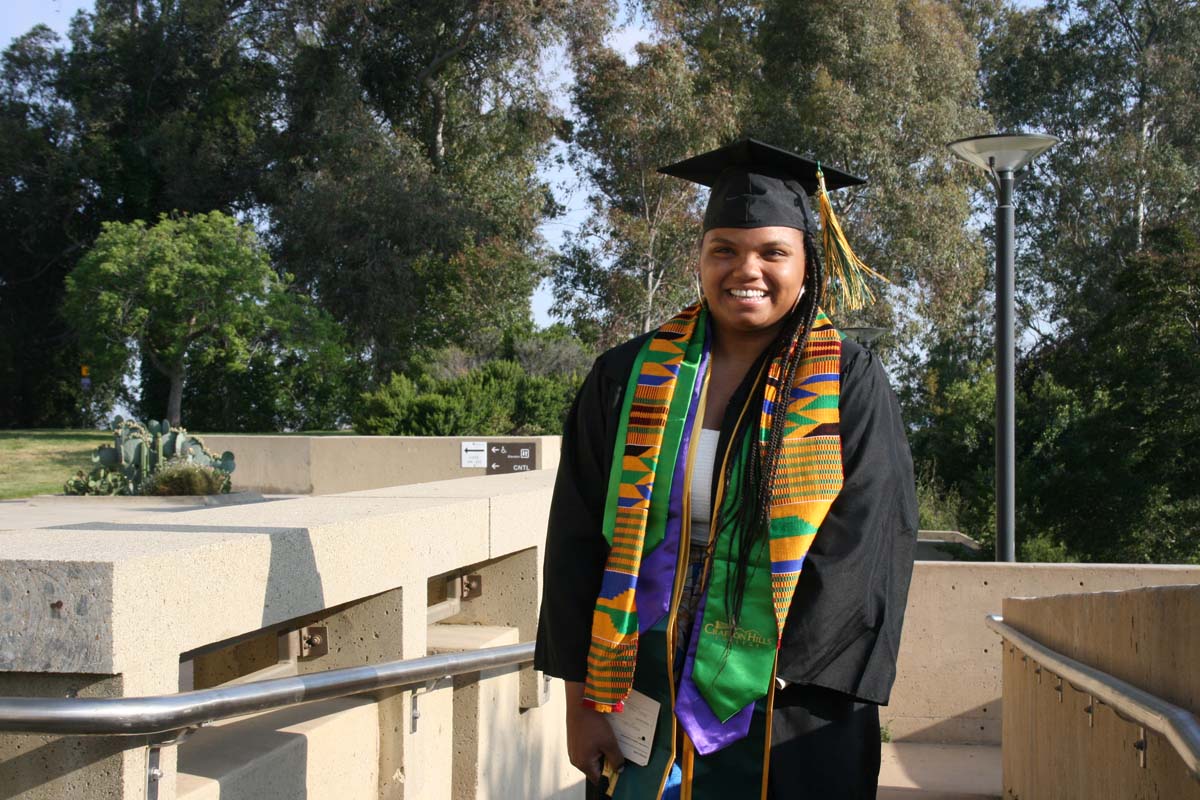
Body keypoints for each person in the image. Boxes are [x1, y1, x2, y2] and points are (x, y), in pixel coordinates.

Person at [535, 138, 917, 799]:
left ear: (805, 265)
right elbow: (576, 542)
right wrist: (579, 701)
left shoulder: (846, 383)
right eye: (725, 251)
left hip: (785, 692)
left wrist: (782, 664)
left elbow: (864, 544)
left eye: (773, 252)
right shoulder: (627, 378)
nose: (748, 269)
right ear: (701, 259)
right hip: (638, 676)